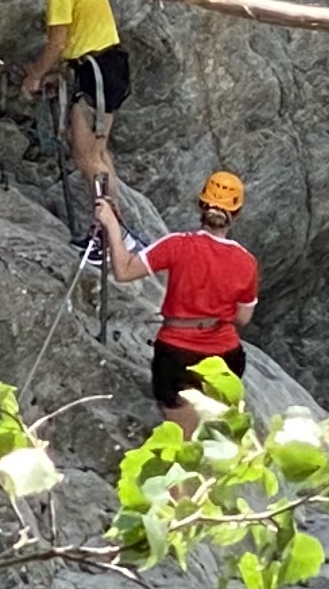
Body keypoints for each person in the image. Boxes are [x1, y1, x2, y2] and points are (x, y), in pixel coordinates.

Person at [96, 167, 257, 430]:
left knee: (186, 437)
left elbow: (124, 271)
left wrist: (111, 224)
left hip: (177, 355)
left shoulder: (177, 245)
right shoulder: (247, 262)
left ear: (201, 204)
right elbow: (242, 317)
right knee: (216, 432)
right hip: (225, 355)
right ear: (236, 213)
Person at [7, 0, 128, 240]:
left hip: (95, 71)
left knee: (86, 156)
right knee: (98, 153)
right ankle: (114, 229)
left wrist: (34, 76)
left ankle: (107, 232)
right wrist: (54, 73)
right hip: (104, 66)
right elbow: (78, 38)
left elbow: (57, 42)